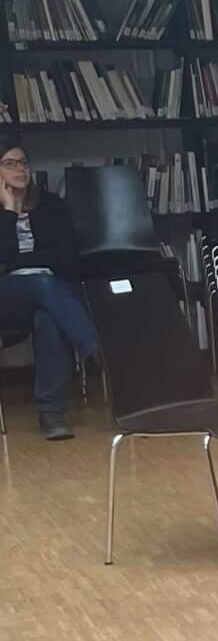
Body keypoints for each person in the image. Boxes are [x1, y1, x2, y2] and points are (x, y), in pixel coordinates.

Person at [0, 133, 102, 440]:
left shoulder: (52, 206)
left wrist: (19, 261)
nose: (20, 169)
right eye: (9, 164)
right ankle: (96, 350)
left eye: (23, 162)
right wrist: (8, 213)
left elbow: (68, 258)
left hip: (51, 293)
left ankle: (52, 414)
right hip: (7, 298)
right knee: (43, 283)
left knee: (49, 319)